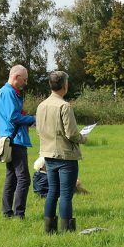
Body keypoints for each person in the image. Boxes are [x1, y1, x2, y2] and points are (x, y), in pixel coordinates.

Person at [35, 70, 86, 234]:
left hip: (48, 155)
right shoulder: (64, 106)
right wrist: (83, 138)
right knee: (65, 195)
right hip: (65, 156)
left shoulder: (41, 106)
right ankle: (67, 230)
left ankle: (49, 229)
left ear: (51, 85)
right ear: (65, 85)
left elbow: (39, 131)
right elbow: (71, 133)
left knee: (52, 192)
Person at [0, 65, 35, 218]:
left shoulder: (3, 92)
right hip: (15, 141)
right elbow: (14, 117)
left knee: (11, 178)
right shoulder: (9, 92)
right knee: (24, 179)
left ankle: (7, 213)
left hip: (9, 140)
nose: (25, 83)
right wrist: (32, 119)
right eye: (24, 80)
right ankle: (19, 214)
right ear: (16, 77)